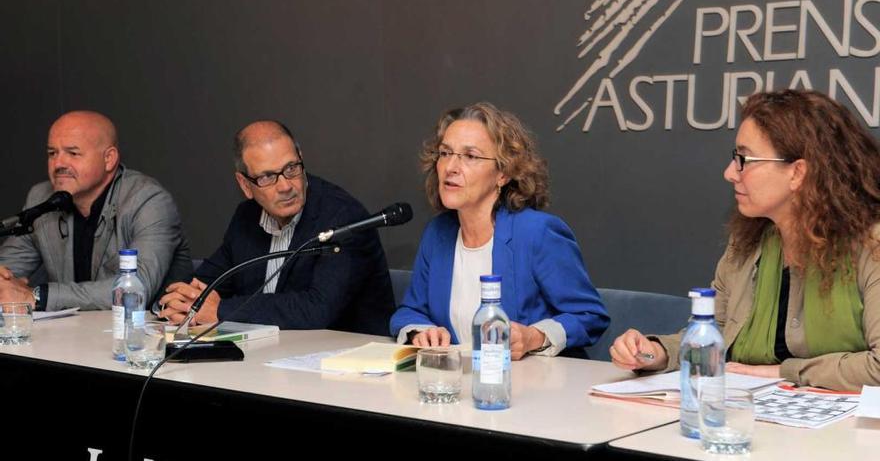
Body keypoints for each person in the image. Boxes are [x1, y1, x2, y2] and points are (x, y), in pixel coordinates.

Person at [610, 89, 880, 391]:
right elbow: (718, 333)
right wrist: (654, 353)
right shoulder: (747, 243)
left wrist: (785, 372)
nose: (729, 173)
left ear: (797, 173)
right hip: (749, 414)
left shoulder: (873, 245)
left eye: (744, 159)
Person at [389, 102, 609, 359]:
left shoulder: (536, 233)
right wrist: (421, 331)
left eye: (470, 156)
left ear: (503, 174)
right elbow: (410, 310)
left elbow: (589, 316)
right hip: (457, 385)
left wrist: (534, 337)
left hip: (533, 388)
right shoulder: (438, 233)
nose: (450, 167)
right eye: (445, 153)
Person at [159, 121, 395, 335]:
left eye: (291, 168)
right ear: (245, 185)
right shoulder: (246, 217)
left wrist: (221, 310)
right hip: (269, 356)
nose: (285, 186)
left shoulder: (344, 218)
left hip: (347, 364)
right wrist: (180, 302)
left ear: (301, 158)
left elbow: (318, 309)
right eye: (267, 177)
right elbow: (207, 281)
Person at [0, 110, 192, 310]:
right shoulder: (41, 198)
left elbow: (135, 290)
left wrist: (38, 296)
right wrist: (4, 285)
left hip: (142, 334)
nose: (58, 164)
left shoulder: (149, 200)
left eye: (73, 153)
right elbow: (6, 270)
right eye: (52, 153)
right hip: (72, 334)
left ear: (109, 159)